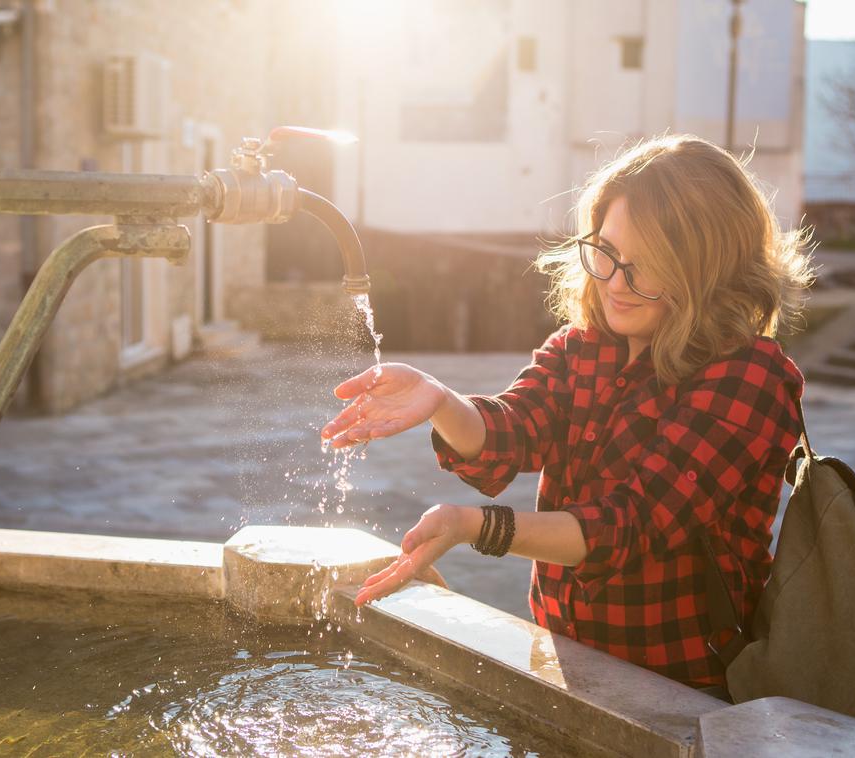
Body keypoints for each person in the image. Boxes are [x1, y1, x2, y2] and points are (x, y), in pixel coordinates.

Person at [320, 134, 813, 689]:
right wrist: (440, 400)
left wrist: (473, 526)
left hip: (688, 686)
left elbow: (629, 525)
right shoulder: (585, 345)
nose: (614, 283)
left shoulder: (749, 376)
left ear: (707, 269)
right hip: (568, 658)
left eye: (646, 267)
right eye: (606, 252)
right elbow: (512, 429)